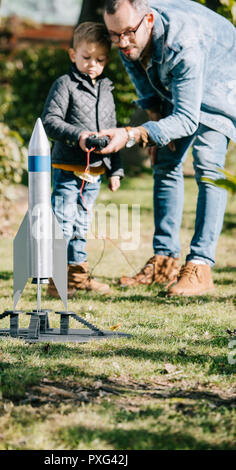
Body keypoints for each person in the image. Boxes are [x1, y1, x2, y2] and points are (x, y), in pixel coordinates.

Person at [98, 0, 236, 296]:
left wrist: (136, 134)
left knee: (208, 163)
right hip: (180, 84)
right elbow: (144, 86)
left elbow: (187, 119)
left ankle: (200, 266)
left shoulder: (182, 42)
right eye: (114, 35)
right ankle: (165, 261)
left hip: (222, 78)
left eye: (127, 33)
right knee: (164, 158)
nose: (122, 42)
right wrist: (156, 128)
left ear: (148, 20)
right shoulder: (128, 35)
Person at [42, 21, 124, 297]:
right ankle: (57, 277)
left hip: (95, 173)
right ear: (72, 55)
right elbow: (50, 121)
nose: (92, 65)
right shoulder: (64, 85)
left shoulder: (107, 90)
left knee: (82, 223)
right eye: (86, 58)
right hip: (68, 168)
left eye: (100, 60)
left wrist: (116, 170)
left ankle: (77, 274)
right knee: (64, 220)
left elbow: (114, 131)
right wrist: (77, 135)